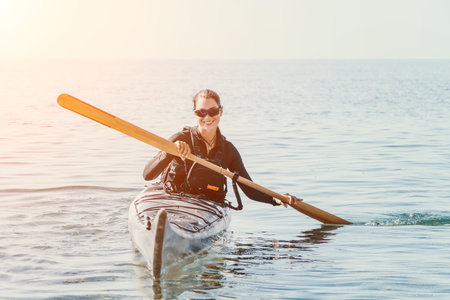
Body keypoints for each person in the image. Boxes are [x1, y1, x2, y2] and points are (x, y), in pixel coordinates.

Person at [143, 89, 300, 207]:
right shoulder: (180, 138)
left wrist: (276, 199)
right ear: (195, 114)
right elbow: (148, 175)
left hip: (207, 207)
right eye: (201, 112)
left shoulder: (228, 151)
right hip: (173, 199)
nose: (207, 117)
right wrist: (169, 150)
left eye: (213, 111)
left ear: (221, 111)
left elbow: (249, 190)